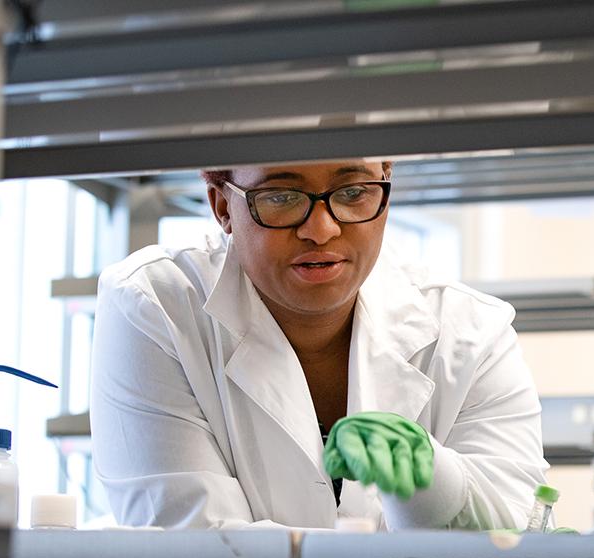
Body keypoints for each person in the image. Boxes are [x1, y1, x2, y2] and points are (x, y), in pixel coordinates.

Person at [90, 158, 548, 530]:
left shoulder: (472, 333)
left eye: (352, 193)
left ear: (385, 185)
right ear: (222, 206)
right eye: (282, 197)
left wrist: (436, 483)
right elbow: (191, 550)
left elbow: (512, 539)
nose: (322, 229)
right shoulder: (155, 306)